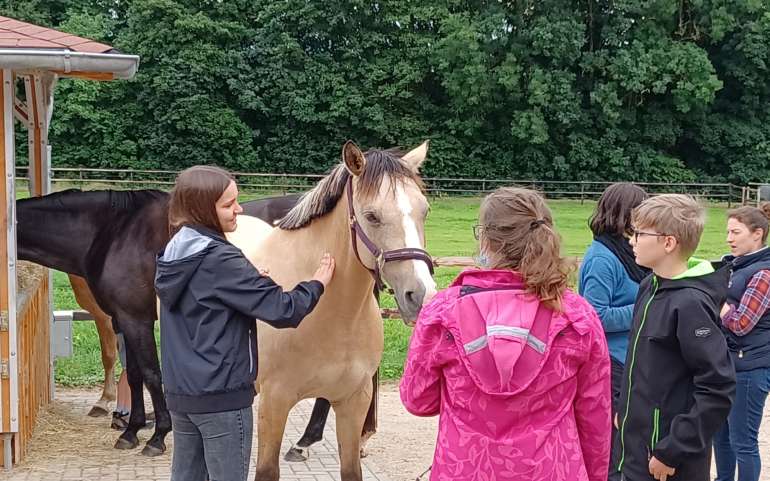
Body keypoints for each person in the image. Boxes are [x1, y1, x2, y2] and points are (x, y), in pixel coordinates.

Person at [400, 187, 611, 481]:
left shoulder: (443, 313)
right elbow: (595, 417)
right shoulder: (576, 316)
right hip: (553, 470)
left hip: (465, 469)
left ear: (486, 240)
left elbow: (417, 400)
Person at [155, 165, 335, 481]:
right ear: (201, 208)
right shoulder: (221, 259)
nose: (239, 209)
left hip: (181, 396)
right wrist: (317, 283)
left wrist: (248, 284)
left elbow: (206, 301)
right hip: (222, 398)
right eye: (228, 204)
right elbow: (284, 310)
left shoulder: (176, 250)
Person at [617, 194, 735, 481]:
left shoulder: (691, 303)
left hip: (669, 461)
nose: (632, 240)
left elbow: (718, 387)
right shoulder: (650, 286)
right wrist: (624, 406)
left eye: (640, 233)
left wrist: (673, 449)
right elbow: (639, 361)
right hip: (636, 449)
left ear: (668, 242)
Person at [579, 183, 649, 481]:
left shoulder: (628, 253)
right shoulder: (602, 258)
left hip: (628, 359)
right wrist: (646, 307)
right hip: (611, 364)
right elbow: (595, 315)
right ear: (625, 215)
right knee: (614, 448)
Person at [713, 203, 770, 481]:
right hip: (727, 364)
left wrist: (717, 300)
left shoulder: (763, 274)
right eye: (728, 232)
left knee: (743, 443)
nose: (729, 239)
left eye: (735, 232)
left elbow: (741, 324)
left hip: (749, 368)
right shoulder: (736, 265)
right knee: (720, 437)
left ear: (757, 234)